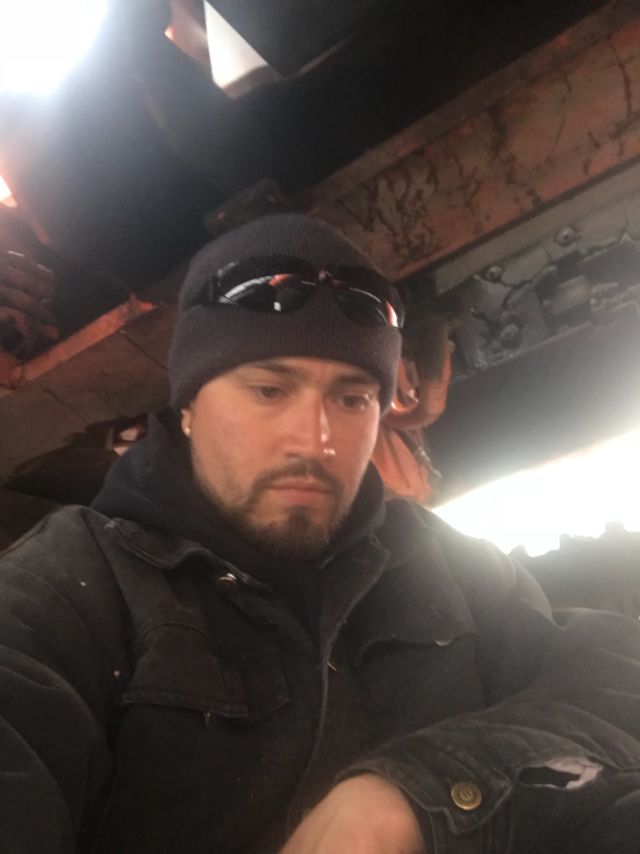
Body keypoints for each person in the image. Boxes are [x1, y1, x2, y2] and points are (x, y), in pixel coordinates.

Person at [0, 213, 639, 854]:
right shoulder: (70, 585)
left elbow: (616, 679)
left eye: (352, 399)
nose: (315, 441)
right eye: (269, 390)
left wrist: (417, 792)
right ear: (188, 405)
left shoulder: (443, 562)